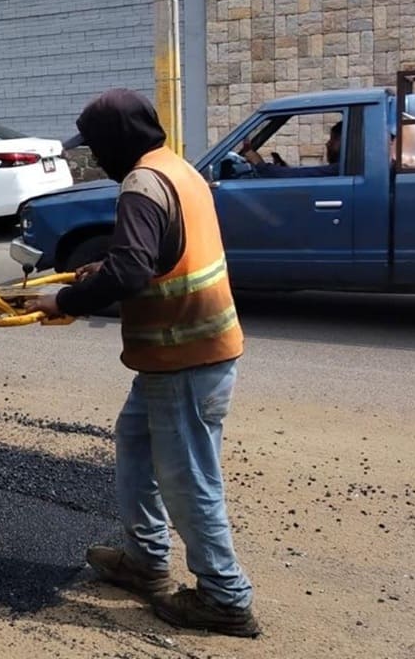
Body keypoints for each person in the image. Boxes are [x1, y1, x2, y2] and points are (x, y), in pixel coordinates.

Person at [25, 89, 259, 638]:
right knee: (134, 440)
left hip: (185, 356)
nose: (95, 158)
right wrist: (99, 269)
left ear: (114, 143)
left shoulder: (140, 184)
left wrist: (64, 300)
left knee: (188, 480)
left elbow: (132, 272)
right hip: (181, 356)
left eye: (97, 147)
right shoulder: (175, 168)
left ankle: (225, 597)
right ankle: (146, 560)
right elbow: (153, 254)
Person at [240, 122, 340, 178]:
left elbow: (304, 175)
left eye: (334, 139)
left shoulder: (338, 169)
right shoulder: (341, 169)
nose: (328, 143)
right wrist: (284, 168)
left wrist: (260, 165)